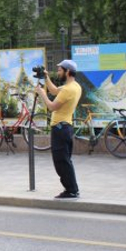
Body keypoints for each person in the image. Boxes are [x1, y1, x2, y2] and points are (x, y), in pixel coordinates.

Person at [35, 60, 82, 199]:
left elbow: (51, 106)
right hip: (65, 127)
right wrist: (46, 77)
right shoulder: (75, 86)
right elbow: (55, 90)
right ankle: (72, 189)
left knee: (61, 161)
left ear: (67, 72)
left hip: (60, 129)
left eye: (60, 70)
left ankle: (71, 191)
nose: (58, 72)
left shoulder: (68, 89)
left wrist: (41, 93)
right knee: (65, 160)